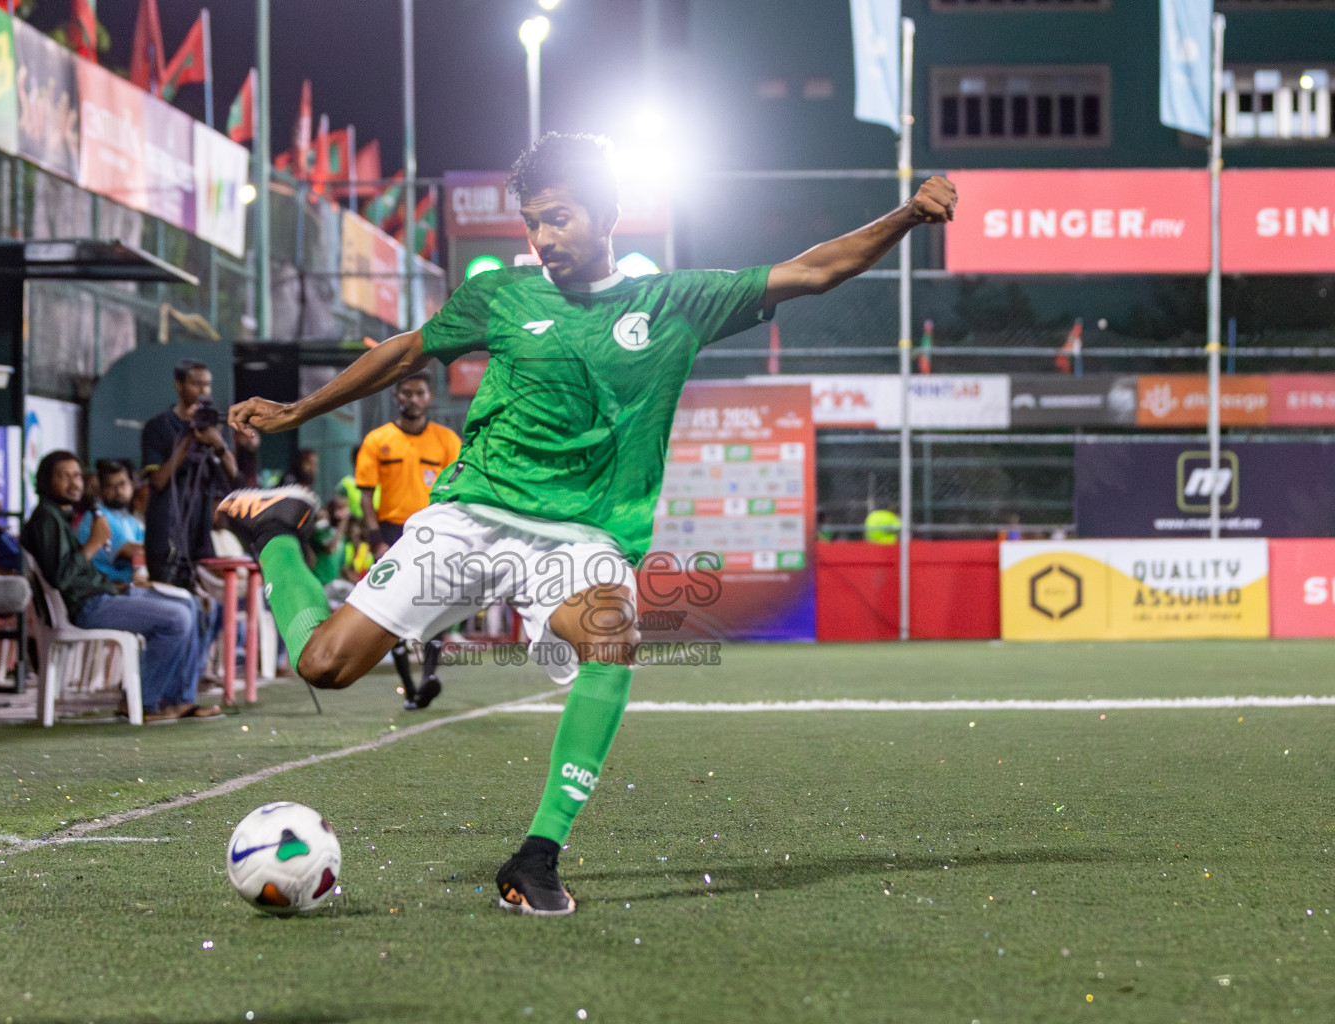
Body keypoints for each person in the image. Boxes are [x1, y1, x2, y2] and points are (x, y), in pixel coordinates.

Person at [218, 132, 956, 916]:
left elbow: (817, 270)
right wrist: (298, 410)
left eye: (560, 218)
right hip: (471, 514)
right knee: (324, 665)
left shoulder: (676, 302)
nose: (543, 238)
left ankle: (537, 857)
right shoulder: (500, 293)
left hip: (582, 538)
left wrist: (908, 213)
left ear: (607, 214)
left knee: (613, 636)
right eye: (533, 222)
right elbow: (405, 353)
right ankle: (278, 534)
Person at [23, 451, 220, 722]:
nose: (74, 482)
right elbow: (62, 577)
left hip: (105, 593)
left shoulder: (62, 515)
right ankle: (141, 701)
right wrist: (94, 543)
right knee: (177, 618)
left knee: (189, 603)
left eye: (77, 475)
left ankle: (179, 700)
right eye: (63, 476)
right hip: (87, 607)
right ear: (46, 481)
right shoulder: (46, 519)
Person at [354, 372, 461, 710]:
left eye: (419, 392)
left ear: (429, 397)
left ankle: (429, 676)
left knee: (437, 602)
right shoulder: (377, 440)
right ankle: (409, 688)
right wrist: (375, 539)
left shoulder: (446, 441)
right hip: (391, 532)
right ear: (397, 397)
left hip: (434, 530)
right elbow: (366, 495)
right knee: (393, 606)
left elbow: (458, 490)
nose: (412, 398)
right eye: (406, 393)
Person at [142, 360, 237, 588]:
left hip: (199, 540)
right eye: (196, 384)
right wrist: (188, 438)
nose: (203, 391)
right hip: (167, 537)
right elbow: (158, 480)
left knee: (201, 610)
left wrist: (218, 443)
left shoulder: (214, 430)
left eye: (207, 385)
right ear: (179, 385)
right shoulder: (159, 427)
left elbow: (233, 473)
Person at [75, 460, 147, 585]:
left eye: (122, 484)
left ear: (131, 485)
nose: (118, 490)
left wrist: (140, 573)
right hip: (102, 590)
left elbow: (143, 554)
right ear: (102, 490)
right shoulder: (98, 515)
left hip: (126, 587)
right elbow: (135, 552)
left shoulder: (130, 521)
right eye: (110, 486)